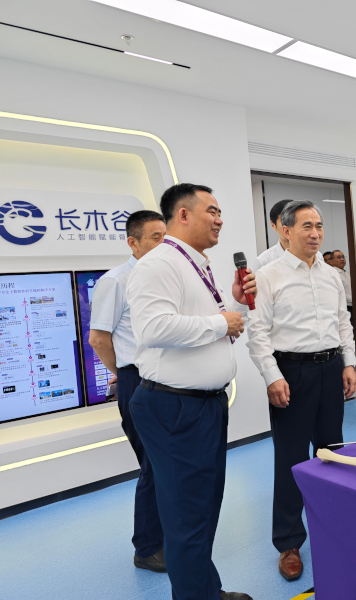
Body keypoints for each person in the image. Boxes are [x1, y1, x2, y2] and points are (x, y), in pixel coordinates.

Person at [127, 184, 257, 600]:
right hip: (175, 407)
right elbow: (154, 329)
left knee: (201, 509)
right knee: (187, 517)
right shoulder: (158, 264)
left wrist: (235, 307)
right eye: (212, 211)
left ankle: (205, 591)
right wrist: (221, 323)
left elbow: (207, 327)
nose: (220, 219)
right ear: (182, 215)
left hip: (202, 406)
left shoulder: (194, 263)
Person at [247, 200, 356, 581]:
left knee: (332, 453)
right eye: (306, 226)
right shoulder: (268, 276)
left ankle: (334, 525)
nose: (315, 233)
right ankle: (289, 542)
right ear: (286, 230)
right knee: (291, 459)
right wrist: (272, 376)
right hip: (291, 372)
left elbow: (343, 322)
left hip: (330, 368)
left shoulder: (331, 275)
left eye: (319, 226)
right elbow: (257, 332)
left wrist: (349, 363)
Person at [88, 210, 167, 573]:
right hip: (137, 380)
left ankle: (163, 536)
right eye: (155, 237)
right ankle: (147, 548)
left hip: (164, 379)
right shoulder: (116, 280)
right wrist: (122, 372)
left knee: (165, 465)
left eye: (165, 236)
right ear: (132, 242)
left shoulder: (162, 276)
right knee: (152, 466)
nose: (163, 244)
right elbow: (98, 339)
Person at [254, 198, 293, 270]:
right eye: (284, 221)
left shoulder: (314, 255)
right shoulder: (263, 261)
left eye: (294, 221)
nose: (291, 226)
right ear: (273, 225)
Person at [330, 249, 353, 315]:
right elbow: (338, 292)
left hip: (351, 306)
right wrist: (353, 298)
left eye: (343, 257)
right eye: (339, 257)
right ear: (332, 261)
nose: (342, 259)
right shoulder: (334, 274)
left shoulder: (344, 272)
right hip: (345, 307)